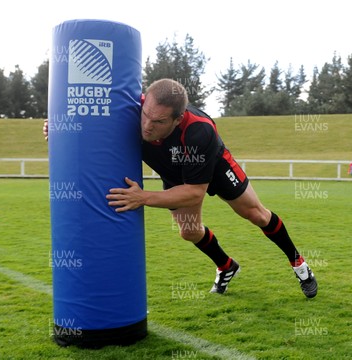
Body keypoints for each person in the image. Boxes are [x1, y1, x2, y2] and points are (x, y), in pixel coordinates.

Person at [44, 79, 317, 298]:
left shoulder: (200, 130)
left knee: (257, 214)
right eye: (146, 115)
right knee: (188, 232)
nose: (147, 126)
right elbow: (92, 123)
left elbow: (195, 191)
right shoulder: (130, 107)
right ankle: (226, 266)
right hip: (174, 174)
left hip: (213, 167)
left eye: (159, 121)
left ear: (178, 119)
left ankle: (299, 264)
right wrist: (58, 129)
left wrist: (144, 197)